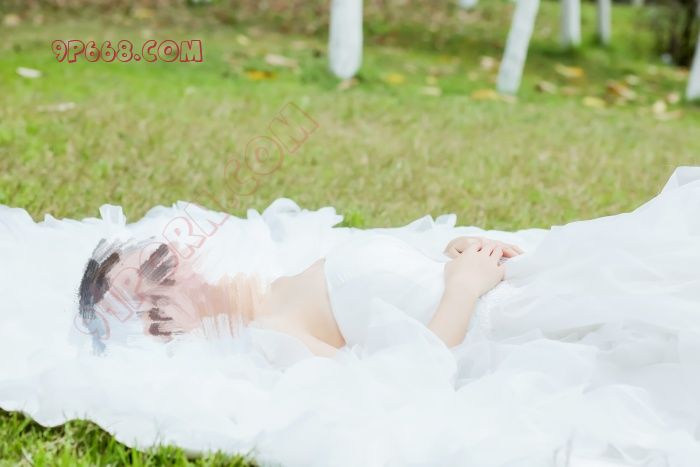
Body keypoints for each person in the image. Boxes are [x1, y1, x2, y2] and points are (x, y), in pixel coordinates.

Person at [78, 230, 523, 357]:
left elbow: (394, 292)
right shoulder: (274, 333)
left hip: (511, 279)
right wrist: (463, 288)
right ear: (157, 329)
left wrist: (449, 254)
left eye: (161, 259)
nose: (174, 271)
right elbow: (409, 373)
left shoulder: (281, 284)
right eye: (152, 292)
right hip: (509, 326)